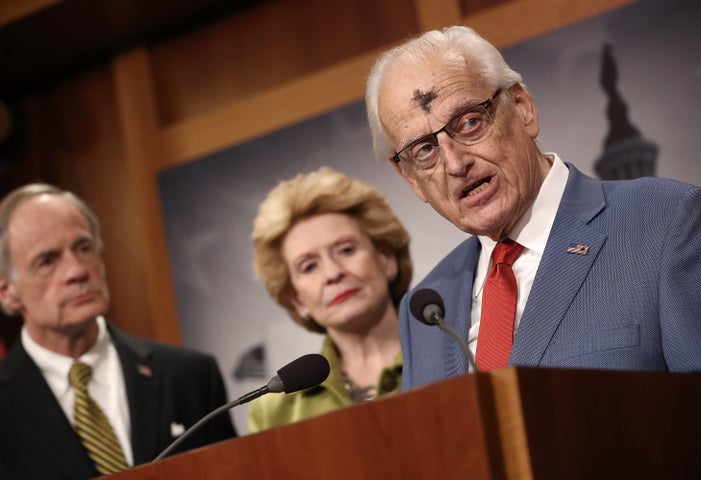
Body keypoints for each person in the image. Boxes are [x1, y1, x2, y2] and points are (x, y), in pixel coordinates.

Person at [364, 25, 701, 390]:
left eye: (469, 122)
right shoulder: (424, 308)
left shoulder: (667, 222)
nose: (455, 164)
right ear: (410, 178)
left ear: (522, 108)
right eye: (424, 150)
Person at [0, 183, 237, 479]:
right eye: (47, 261)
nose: (77, 271)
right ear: (7, 291)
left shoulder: (190, 376)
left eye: (83, 248)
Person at [247, 166, 412, 432]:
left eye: (346, 250)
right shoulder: (275, 412)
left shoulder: (456, 348)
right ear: (297, 299)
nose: (333, 273)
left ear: (387, 258)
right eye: (309, 266)